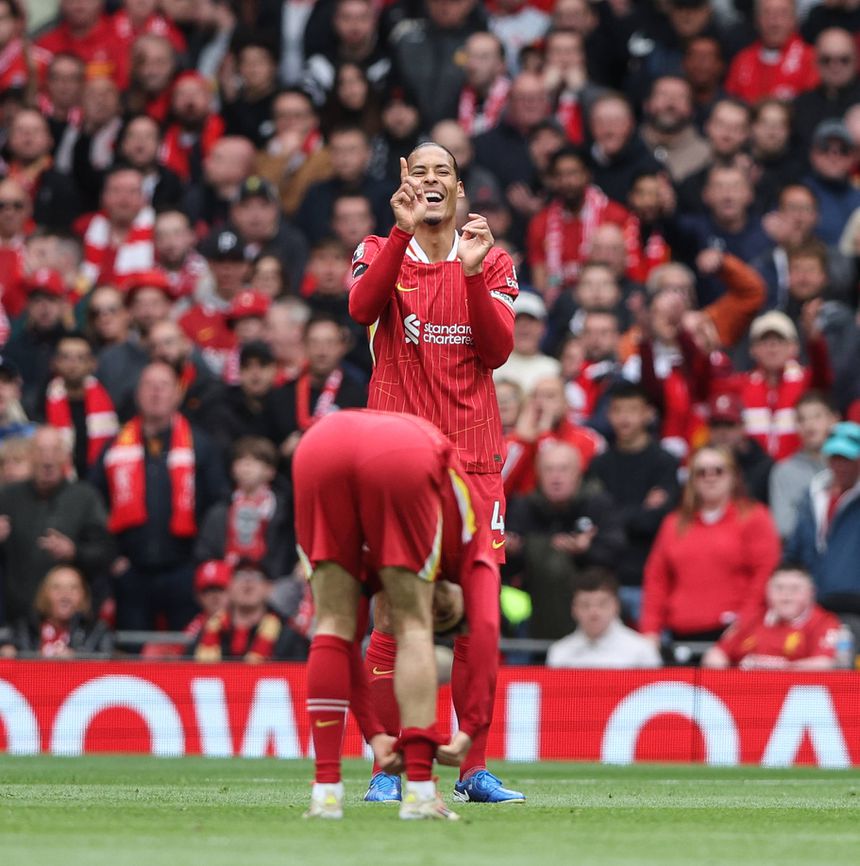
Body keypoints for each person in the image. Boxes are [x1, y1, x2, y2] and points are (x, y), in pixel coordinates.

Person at [348, 142, 522, 803]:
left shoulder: (491, 256)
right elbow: (362, 310)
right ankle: (386, 771)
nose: (429, 180)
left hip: (474, 465)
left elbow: (498, 351)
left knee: (480, 618)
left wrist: (474, 274)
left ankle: (473, 769)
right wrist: (396, 234)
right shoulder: (378, 249)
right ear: (403, 182)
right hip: (397, 462)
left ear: (456, 185)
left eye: (440, 172)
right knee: (392, 614)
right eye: (418, 171)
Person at [294, 409, 501, 820]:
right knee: (413, 627)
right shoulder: (470, 542)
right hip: (403, 453)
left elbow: (348, 648)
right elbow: (488, 629)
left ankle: (327, 793)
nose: (439, 610)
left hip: (320, 444)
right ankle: (422, 792)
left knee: (333, 626)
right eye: (450, 617)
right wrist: (470, 728)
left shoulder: (381, 570)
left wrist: (377, 735)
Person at [90, 362, 228, 630]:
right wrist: (113, 558)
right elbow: (94, 505)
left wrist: (200, 559)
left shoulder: (201, 445)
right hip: (130, 572)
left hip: (184, 570)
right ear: (137, 394)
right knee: (132, 655)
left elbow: (217, 505)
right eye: (149, 386)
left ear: (177, 395)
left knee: (184, 656)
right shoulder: (115, 446)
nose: (156, 393)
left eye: (163, 386)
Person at [640, 445, 781, 647]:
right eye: (701, 472)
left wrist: (743, 625)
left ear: (733, 476)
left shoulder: (754, 517)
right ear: (692, 480)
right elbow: (657, 579)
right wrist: (650, 630)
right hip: (681, 636)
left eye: (719, 470)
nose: (710, 477)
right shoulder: (674, 523)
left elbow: (765, 575)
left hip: (737, 637)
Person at [504, 440, 625, 641]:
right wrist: (512, 553)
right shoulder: (523, 507)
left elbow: (617, 555)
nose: (556, 477)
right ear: (538, 475)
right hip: (534, 612)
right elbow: (506, 569)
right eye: (549, 470)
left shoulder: (599, 504)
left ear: (578, 473)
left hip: (589, 617)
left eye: (563, 469)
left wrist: (586, 552)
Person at [0, 426, 115, 627]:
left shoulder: (85, 497)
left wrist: (74, 552)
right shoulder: (7, 497)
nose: (48, 460)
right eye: (41, 451)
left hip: (72, 626)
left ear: (66, 457)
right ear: (30, 456)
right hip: (15, 622)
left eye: (55, 451)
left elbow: (106, 552)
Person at [587, 381, 679, 624]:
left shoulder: (665, 462)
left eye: (632, 410)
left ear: (648, 414)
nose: (624, 418)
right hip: (608, 575)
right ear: (608, 415)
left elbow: (656, 521)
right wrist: (640, 510)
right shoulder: (600, 464)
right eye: (618, 410)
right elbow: (594, 516)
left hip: (651, 575)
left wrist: (614, 516)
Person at [785, 422, 860, 628]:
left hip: (854, 608)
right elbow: (795, 551)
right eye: (836, 458)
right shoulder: (812, 496)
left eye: (848, 459)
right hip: (813, 607)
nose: (841, 465)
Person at [702, 563, 841, 671]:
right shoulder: (751, 619)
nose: (786, 596)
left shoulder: (824, 622)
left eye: (795, 589)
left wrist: (777, 668)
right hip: (743, 696)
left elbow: (825, 664)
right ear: (767, 591)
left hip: (801, 699)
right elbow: (716, 654)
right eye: (779, 588)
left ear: (811, 593)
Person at [195, 437, 296, 581]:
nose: (246, 466)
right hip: (227, 585)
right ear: (232, 470)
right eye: (240, 460)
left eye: (255, 461)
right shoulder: (219, 511)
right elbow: (204, 553)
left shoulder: (286, 511)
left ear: (271, 471)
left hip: (275, 584)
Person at [193, 558, 308, 662]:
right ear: (229, 587)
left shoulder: (287, 634)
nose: (248, 583)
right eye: (240, 576)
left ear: (268, 588)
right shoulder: (209, 629)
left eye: (256, 576)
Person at [546, 568, 662, 669]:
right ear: (574, 609)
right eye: (585, 605)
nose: (594, 612)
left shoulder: (641, 651)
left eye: (602, 604)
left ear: (616, 606)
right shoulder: (560, 652)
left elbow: (655, 691)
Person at [42, 332, 119, 480]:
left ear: (92, 364)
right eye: (66, 357)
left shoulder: (109, 400)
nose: (73, 364)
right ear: (55, 363)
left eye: (80, 358)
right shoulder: (40, 403)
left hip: (99, 483)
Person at [0, 565, 112, 658]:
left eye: (73, 588)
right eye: (57, 588)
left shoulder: (97, 631)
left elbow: (107, 671)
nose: (65, 595)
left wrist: (78, 660)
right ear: (44, 594)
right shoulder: (23, 629)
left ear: (84, 595)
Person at [769, 391, 838, 542]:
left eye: (816, 416)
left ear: (834, 420)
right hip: (804, 557)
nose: (809, 425)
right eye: (802, 419)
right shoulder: (783, 472)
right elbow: (783, 527)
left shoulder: (850, 465)